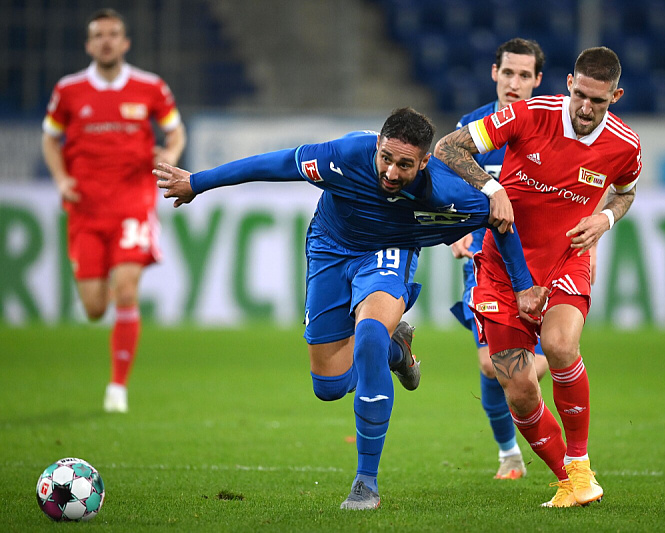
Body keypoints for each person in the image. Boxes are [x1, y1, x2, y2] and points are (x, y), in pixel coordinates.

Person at [153, 108, 548, 510]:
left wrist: (523, 288)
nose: (392, 173)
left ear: (425, 162)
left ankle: (366, 484)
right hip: (330, 247)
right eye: (386, 159)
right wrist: (197, 182)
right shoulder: (342, 156)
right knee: (328, 386)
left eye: (405, 165)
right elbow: (277, 163)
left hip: (387, 254)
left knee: (369, 337)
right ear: (377, 146)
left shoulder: (448, 192)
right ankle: (398, 350)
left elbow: (502, 222)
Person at [435, 47, 641, 507]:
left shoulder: (626, 145)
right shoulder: (528, 114)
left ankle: (581, 462)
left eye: (600, 101)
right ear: (569, 83)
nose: (587, 109)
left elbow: (626, 192)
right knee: (518, 386)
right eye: (581, 96)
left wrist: (606, 219)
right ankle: (571, 481)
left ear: (616, 96)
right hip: (500, 269)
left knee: (561, 346)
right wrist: (493, 190)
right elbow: (446, 148)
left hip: (566, 260)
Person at [41, 8, 186, 414]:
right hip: (85, 209)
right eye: (98, 35)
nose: (106, 41)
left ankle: (117, 387)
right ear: (89, 45)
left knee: (126, 288)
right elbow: (50, 140)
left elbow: (175, 129)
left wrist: (170, 153)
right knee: (93, 308)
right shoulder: (68, 91)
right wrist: (60, 179)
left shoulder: (150, 87)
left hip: (132, 203)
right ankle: (109, 322)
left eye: (113, 34)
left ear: (125, 43)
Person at [448, 37, 549, 481]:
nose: (514, 82)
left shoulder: (550, 127)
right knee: (492, 366)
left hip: (542, 265)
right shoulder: (471, 128)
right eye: (508, 72)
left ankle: (557, 443)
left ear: (538, 80)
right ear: (494, 73)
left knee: (536, 363)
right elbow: (448, 188)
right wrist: (454, 231)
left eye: (524, 75)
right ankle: (509, 453)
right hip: (485, 264)